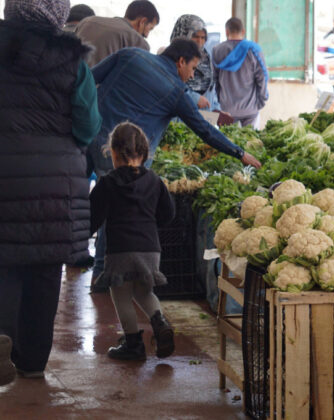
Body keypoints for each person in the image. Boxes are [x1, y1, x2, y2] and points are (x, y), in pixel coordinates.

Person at [87, 39, 262, 292]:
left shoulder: (130, 55)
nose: (191, 76)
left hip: (90, 135)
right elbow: (204, 130)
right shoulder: (175, 91)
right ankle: (103, 275)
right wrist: (239, 152)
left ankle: (71, 251)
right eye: (192, 68)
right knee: (114, 212)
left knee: (82, 198)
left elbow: (88, 79)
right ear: (181, 61)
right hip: (123, 154)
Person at [0, 0, 101, 383]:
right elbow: (87, 126)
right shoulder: (72, 60)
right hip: (56, 182)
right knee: (45, 270)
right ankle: (31, 362)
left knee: (4, 263)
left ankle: (1, 335)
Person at [89, 123, 175, 361]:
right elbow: (168, 214)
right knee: (144, 290)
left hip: (121, 250)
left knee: (121, 294)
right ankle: (160, 322)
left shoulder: (108, 183)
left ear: (114, 152)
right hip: (150, 248)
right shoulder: (155, 181)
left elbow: (92, 217)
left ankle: (133, 344)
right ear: (144, 152)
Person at [213, 18, 269, 128]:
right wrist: (262, 100)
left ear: (227, 32)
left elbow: (214, 80)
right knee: (250, 141)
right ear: (243, 31)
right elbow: (262, 77)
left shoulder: (217, 50)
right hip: (250, 109)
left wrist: (220, 101)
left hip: (227, 109)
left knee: (228, 142)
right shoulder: (253, 50)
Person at [76, 0, 159, 67]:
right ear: (142, 21)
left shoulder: (88, 21)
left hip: (67, 81)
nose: (147, 35)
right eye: (150, 29)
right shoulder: (139, 43)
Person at [170, 15, 216, 111]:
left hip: (204, 114)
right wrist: (195, 98)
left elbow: (212, 89)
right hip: (179, 116)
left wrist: (216, 107)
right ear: (184, 34)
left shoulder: (206, 58)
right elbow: (169, 86)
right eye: (195, 36)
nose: (199, 41)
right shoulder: (171, 57)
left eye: (203, 38)